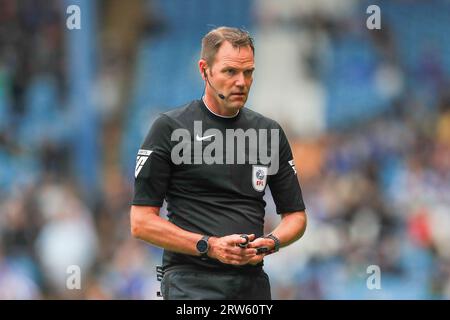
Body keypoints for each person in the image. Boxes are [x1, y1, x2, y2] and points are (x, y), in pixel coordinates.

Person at [130, 26, 307, 300]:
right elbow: (141, 223)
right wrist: (209, 246)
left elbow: (296, 216)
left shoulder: (269, 132)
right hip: (189, 284)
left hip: (251, 286)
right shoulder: (169, 129)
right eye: (230, 71)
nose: (241, 82)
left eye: (248, 72)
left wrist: (271, 243)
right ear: (205, 70)